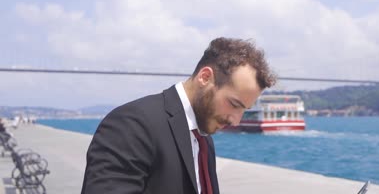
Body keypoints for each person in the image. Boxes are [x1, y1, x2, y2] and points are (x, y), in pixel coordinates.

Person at [81, 37, 277, 194]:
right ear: (205, 77)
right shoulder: (132, 124)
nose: (236, 120)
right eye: (234, 104)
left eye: (244, 110)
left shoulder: (203, 139)